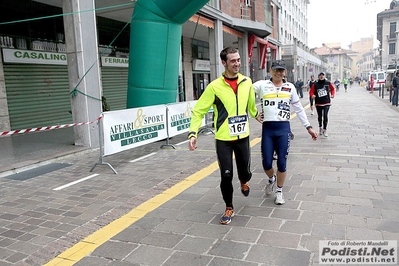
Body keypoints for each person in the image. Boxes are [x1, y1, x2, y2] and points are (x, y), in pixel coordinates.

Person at [188, 46, 261, 225]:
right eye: (233, 61)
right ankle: (229, 207)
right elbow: (198, 111)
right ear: (224, 63)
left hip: (243, 136)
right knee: (226, 175)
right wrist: (193, 133)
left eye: (238, 60)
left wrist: (256, 115)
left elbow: (251, 105)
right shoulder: (214, 87)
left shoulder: (247, 82)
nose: (237, 64)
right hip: (223, 139)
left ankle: (244, 180)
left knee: (245, 171)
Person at [253, 60, 318, 205]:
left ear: (285, 72)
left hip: (283, 129)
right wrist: (254, 113)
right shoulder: (262, 85)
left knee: (282, 163)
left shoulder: (290, 87)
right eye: (276, 70)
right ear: (270, 71)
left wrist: (308, 127)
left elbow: (299, 108)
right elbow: (246, 91)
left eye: (281, 70)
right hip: (268, 130)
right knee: (266, 163)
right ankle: (272, 179)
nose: (279, 73)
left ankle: (279, 192)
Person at [309, 72, 336, 137]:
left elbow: (332, 89)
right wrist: (312, 95)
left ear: (324, 76)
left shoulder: (328, 83)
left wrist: (332, 94)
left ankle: (325, 129)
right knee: (320, 116)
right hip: (318, 103)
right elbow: (311, 91)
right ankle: (320, 127)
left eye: (322, 75)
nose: (321, 76)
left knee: (325, 116)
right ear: (318, 77)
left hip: (326, 102)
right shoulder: (315, 84)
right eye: (320, 75)